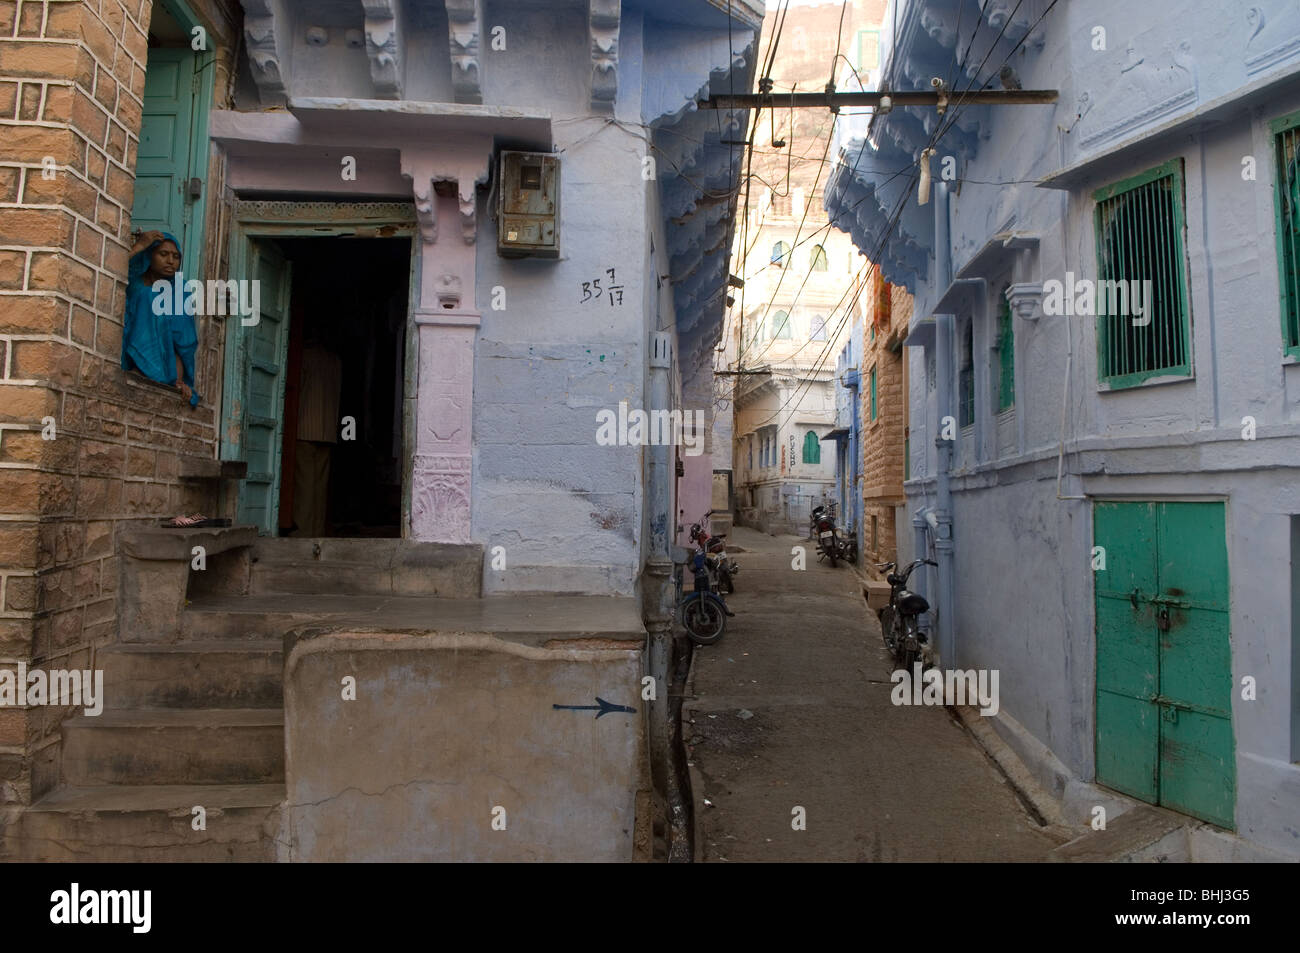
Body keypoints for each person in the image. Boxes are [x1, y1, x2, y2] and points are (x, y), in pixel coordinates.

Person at [123, 230, 201, 407]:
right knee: (148, 296)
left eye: (176, 256)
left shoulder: (180, 290)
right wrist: (140, 246)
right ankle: (140, 366)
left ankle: (159, 372)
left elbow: (182, 341)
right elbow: (110, 270)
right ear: (150, 255)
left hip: (168, 367)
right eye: (163, 254)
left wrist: (178, 380)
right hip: (128, 355)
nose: (170, 261)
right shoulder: (133, 280)